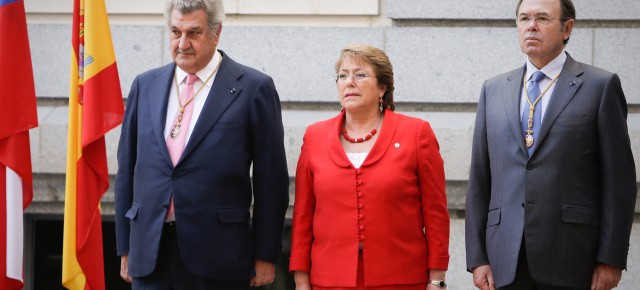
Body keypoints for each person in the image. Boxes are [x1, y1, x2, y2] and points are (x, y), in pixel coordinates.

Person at [114, 0, 289, 289]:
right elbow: (127, 171)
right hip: (150, 252)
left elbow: (271, 180)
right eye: (175, 32)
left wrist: (265, 254)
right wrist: (125, 245)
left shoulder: (254, 88)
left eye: (193, 33)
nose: (182, 43)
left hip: (220, 257)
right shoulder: (145, 85)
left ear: (216, 32)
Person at [465, 0, 637, 289]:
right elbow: (480, 179)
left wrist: (611, 258)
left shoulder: (599, 86)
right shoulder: (493, 90)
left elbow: (619, 182)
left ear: (566, 28)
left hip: (572, 256)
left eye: (542, 18)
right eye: (524, 18)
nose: (531, 26)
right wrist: (477, 256)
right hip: (504, 259)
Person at [289, 44, 450, 290]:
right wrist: (301, 281)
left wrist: (436, 279)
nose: (349, 82)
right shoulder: (315, 137)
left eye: (360, 74)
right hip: (329, 280)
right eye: (343, 75)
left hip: (402, 279)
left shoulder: (416, 133)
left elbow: (436, 214)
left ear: (382, 87)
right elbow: (303, 216)